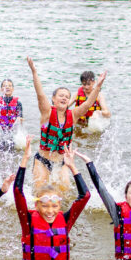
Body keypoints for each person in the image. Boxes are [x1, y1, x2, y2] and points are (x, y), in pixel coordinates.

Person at [27, 56, 106, 190]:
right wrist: (34, 72)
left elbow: (87, 104)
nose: (64, 98)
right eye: (61, 95)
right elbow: (40, 94)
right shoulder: (47, 113)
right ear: (53, 99)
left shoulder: (73, 115)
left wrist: (98, 86)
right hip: (42, 160)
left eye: (67, 96)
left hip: (62, 162)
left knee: (65, 193)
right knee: (40, 193)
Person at [0, 79, 23, 151]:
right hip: (1, 132)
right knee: (1, 148)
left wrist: (19, 118)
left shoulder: (18, 104)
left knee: (12, 148)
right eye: (5, 86)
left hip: (12, 132)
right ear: (1, 89)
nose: (7, 87)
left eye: (9, 86)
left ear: (13, 89)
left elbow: (20, 116)